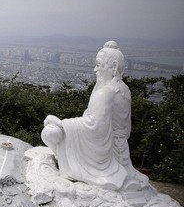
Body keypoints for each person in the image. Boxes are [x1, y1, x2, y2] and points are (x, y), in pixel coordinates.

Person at [41, 41, 149, 190]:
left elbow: (95, 127)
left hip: (103, 155)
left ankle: (69, 161)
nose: (95, 70)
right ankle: (67, 156)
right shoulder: (124, 90)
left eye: (98, 65)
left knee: (49, 132)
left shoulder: (106, 92)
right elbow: (126, 130)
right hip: (121, 151)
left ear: (114, 67)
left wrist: (61, 124)